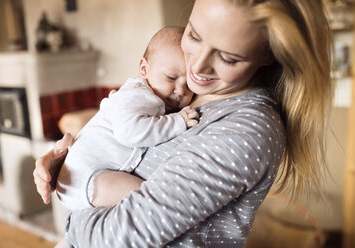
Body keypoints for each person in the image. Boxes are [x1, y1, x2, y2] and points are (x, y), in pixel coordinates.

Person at [33, 0, 332, 247]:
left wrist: (75, 214)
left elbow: (122, 237)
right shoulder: (188, 94)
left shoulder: (248, 129)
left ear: (269, 54)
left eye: (227, 57)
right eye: (194, 35)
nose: (196, 67)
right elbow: (126, 140)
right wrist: (72, 164)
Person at [55, 27, 198, 211]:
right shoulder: (138, 94)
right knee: (151, 199)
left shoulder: (151, 97)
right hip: (85, 177)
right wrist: (178, 121)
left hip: (82, 179)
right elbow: (129, 133)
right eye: (171, 78)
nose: (180, 91)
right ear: (144, 69)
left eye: (188, 84)